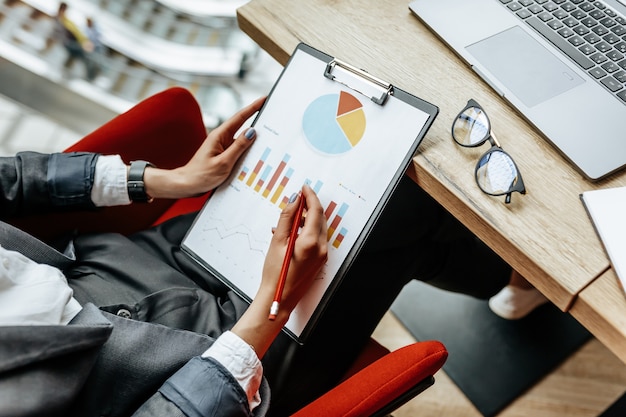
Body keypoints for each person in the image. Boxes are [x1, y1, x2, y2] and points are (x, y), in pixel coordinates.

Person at [0, 87, 540, 416]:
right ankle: (520, 282)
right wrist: (271, 305)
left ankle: (496, 277)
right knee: (400, 206)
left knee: (346, 169)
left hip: (105, 268)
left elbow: (14, 179)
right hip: (196, 371)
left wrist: (166, 180)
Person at [52, 2, 97, 80]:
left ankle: (67, 70)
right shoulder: (60, 19)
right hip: (68, 42)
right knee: (82, 53)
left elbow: (75, 32)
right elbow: (70, 32)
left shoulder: (65, 19)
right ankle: (89, 76)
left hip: (74, 42)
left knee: (82, 54)